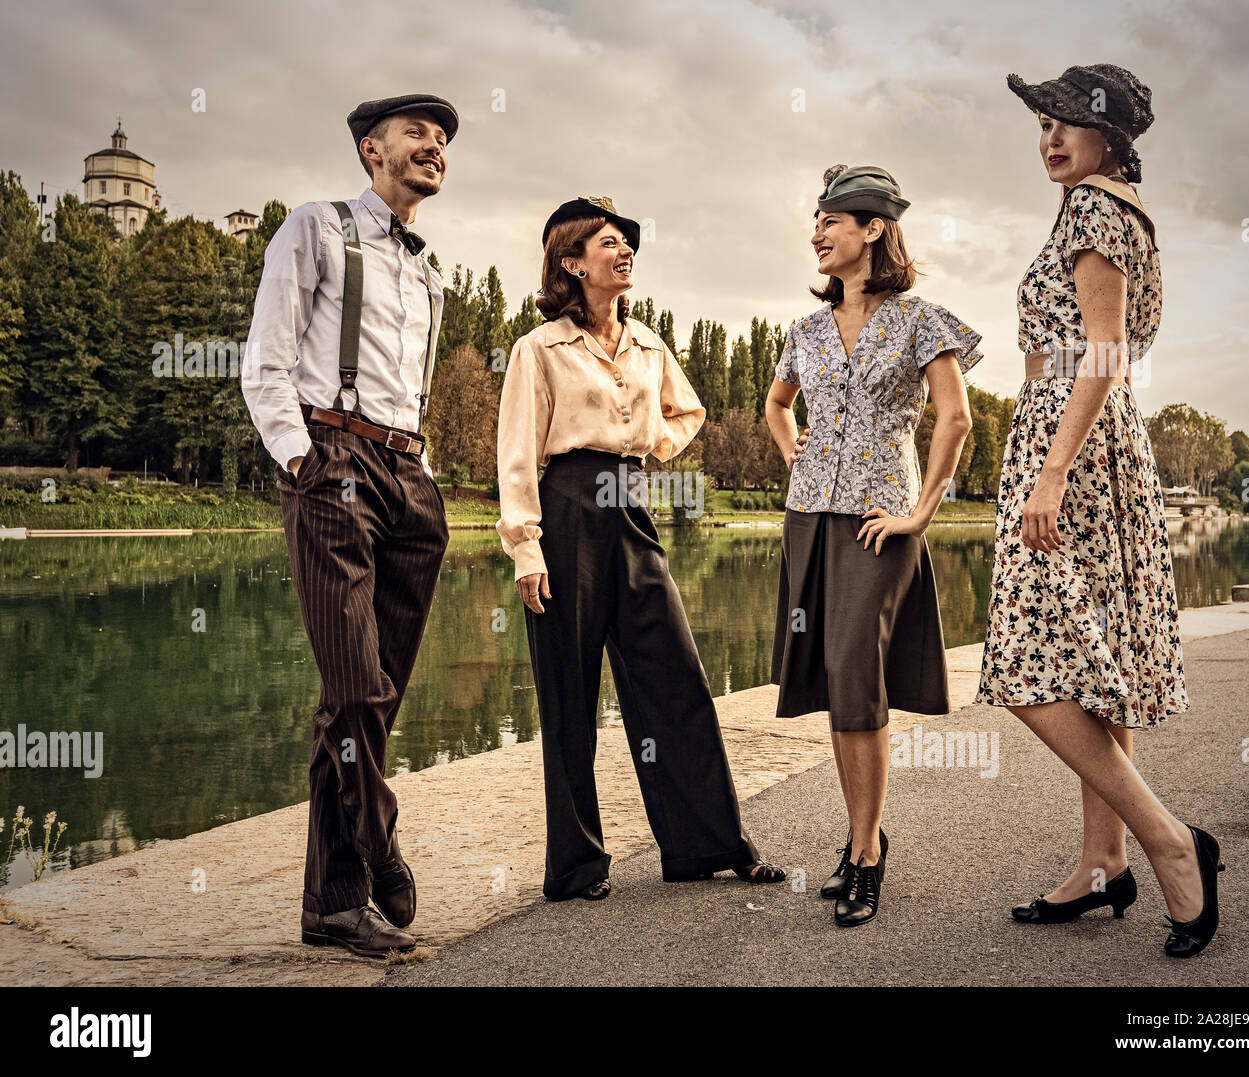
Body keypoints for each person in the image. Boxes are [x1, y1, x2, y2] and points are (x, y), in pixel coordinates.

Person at [976, 65, 1224, 958]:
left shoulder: (1094, 208)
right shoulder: (1113, 208)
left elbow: (1106, 350)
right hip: (1095, 437)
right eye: (1042, 124)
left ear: (1110, 138)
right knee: (1091, 654)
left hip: (1070, 442)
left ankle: (1167, 841)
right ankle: (1100, 861)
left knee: (1024, 662)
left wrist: (1049, 478)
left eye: (1066, 124)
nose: (1048, 138)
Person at [495, 196, 787, 901]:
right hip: (565, 507)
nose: (625, 250)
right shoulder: (538, 349)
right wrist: (526, 548)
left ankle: (707, 844)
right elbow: (515, 455)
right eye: (606, 242)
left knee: (677, 677)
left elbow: (687, 412)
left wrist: (648, 449)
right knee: (568, 694)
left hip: (630, 507)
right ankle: (576, 866)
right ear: (572, 262)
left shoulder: (649, 343)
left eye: (627, 241)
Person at [242, 93, 457, 957]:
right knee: (356, 688)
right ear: (372, 149)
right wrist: (302, 461)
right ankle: (379, 840)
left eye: (442, 139)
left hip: (408, 478)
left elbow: (409, 389)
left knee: (368, 701)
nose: (434, 146)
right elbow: (267, 359)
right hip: (334, 465)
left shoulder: (429, 272)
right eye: (416, 134)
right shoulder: (315, 227)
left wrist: (425, 475)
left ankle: (332, 902)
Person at [766, 165, 982, 927]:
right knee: (834, 678)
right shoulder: (804, 330)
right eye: (816, 223)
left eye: (832, 221)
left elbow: (954, 420)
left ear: (873, 230)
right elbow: (776, 403)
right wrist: (796, 452)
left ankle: (865, 854)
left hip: (878, 521)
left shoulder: (922, 319)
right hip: (809, 518)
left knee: (858, 675)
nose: (819, 234)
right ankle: (860, 835)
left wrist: (921, 512)